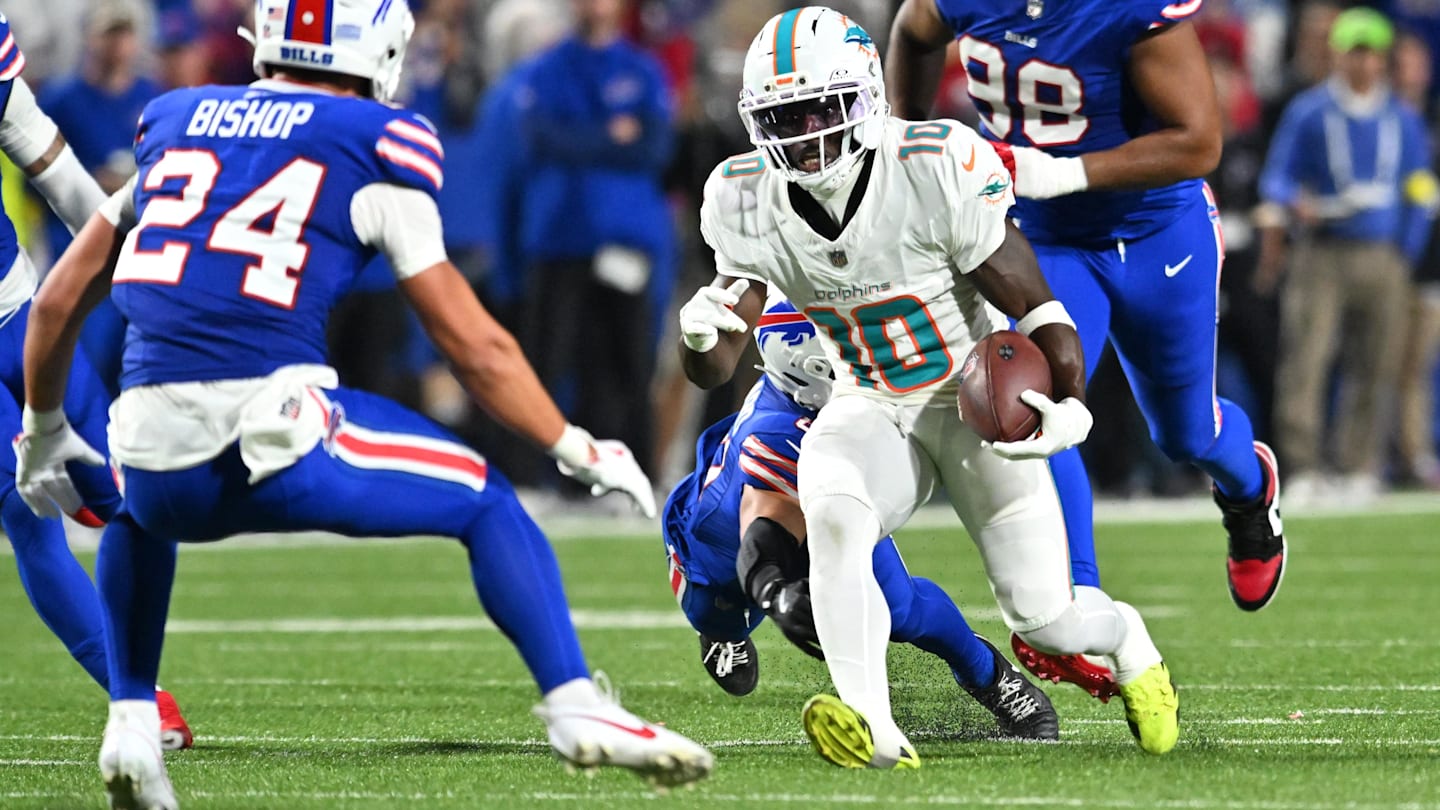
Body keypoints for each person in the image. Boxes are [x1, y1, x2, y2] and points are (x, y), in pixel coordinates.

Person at [13, 1, 712, 807]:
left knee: (140, 505)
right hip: (272, 441)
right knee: (487, 503)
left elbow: (61, 297)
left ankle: (132, 718)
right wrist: (573, 444)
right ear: (376, 51)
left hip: (151, 448)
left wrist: (45, 428)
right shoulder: (374, 142)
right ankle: (573, 703)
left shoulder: (179, 119)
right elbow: (472, 345)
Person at [678, 7, 1179, 768]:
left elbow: (1035, 303)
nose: (806, 134)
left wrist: (1072, 400)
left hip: (968, 400)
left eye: (822, 108)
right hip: (868, 398)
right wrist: (698, 333)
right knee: (835, 514)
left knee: (1047, 619)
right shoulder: (744, 196)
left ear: (868, 98)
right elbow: (719, 362)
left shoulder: (933, 162)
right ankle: (873, 730)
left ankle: (1128, 639)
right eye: (784, 116)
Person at [885, 1, 1286, 634]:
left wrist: (1058, 170)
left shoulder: (1124, 8)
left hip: (1156, 233)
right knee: (1030, 407)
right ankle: (1080, 599)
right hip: (1045, 240)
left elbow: (1200, 140)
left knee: (1186, 435)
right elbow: (914, 29)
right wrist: (901, 138)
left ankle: (1248, 490)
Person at [665, 293, 1058, 741]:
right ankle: (725, 634)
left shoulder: (827, 400)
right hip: (721, 542)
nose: (870, 358)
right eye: (849, 351)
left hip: (823, 501)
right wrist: (774, 591)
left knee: (901, 609)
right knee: (717, 615)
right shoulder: (777, 434)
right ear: (816, 372)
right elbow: (764, 525)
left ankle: (993, 677)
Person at [0, 11, 192, 750]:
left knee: (121, 490)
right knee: (27, 520)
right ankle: (139, 701)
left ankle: (137, 689)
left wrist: (136, 267)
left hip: (19, 316)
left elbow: (58, 175)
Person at [1255, 7, 1436, 504]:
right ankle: (1304, 466)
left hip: (1382, 254)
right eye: (1353, 52)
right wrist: (1297, 202)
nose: (1362, 64)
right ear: (1338, 55)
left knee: (1375, 363)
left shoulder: (1401, 118)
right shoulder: (1310, 112)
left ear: (1382, 59)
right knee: (1307, 360)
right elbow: (1275, 178)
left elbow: (1421, 186)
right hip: (1323, 251)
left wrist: (1407, 248)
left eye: (1370, 54)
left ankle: (1359, 463)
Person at [509, 0, 675, 491]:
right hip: (560, 238)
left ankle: (637, 477)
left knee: (628, 364)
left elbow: (656, 148)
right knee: (547, 363)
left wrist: (583, 137)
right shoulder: (546, 67)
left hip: (625, 238)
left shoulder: (642, 68)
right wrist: (612, 135)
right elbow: (542, 139)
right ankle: (532, 480)